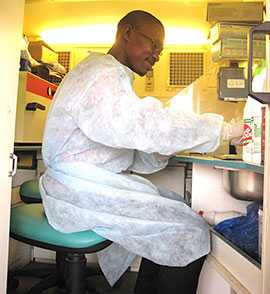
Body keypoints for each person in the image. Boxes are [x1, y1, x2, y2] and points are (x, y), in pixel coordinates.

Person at [40, 10, 243, 294]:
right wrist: (219, 130)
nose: (157, 55)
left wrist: (164, 147)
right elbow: (142, 125)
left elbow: (127, 149)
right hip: (78, 189)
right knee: (189, 231)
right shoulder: (100, 74)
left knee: (176, 214)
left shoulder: (111, 76)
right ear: (128, 33)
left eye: (161, 50)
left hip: (88, 184)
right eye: (154, 45)